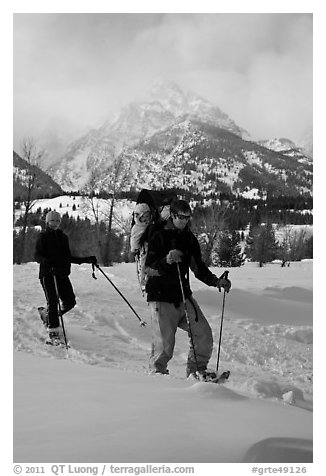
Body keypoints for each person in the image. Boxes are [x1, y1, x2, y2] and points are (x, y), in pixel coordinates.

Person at [145, 199, 231, 379]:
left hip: (183, 295)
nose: (184, 221)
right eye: (181, 217)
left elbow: (197, 267)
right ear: (172, 216)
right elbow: (149, 268)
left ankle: (196, 372)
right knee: (164, 346)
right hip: (160, 296)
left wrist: (216, 282)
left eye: (187, 218)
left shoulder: (189, 239)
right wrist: (167, 261)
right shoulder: (158, 235)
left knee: (203, 334)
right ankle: (156, 376)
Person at [34, 210, 97, 345]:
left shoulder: (63, 237)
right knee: (53, 301)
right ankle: (53, 332)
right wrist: (45, 261)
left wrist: (86, 260)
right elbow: (37, 255)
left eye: (57, 221)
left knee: (70, 302)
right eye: (52, 221)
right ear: (47, 222)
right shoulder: (43, 237)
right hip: (48, 275)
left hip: (62, 274)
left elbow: (68, 257)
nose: (55, 223)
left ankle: (50, 316)